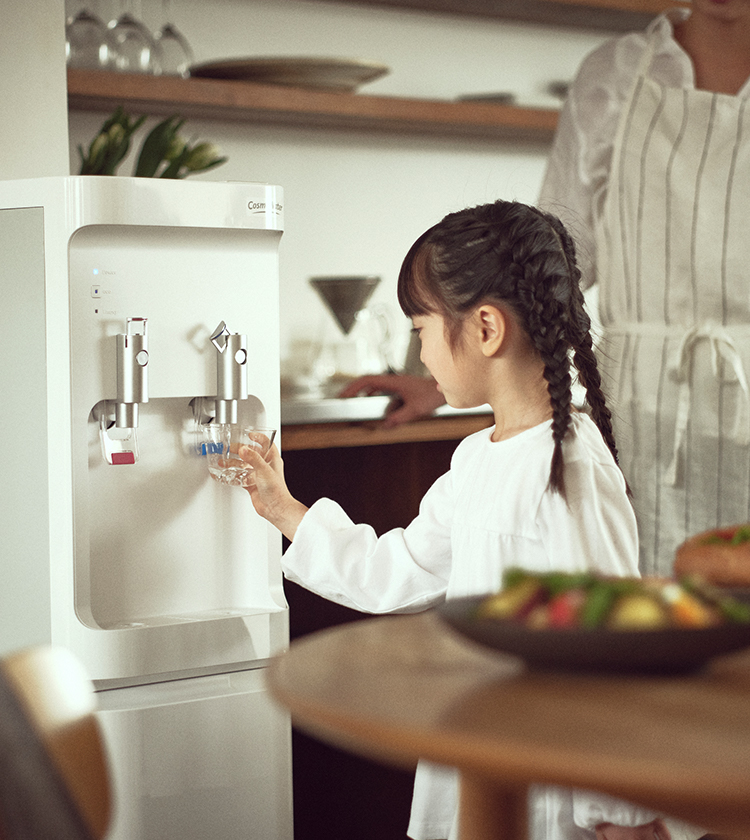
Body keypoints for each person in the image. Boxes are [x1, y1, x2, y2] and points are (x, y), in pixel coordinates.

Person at [240, 200, 702, 840]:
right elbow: (401, 569)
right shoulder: (477, 459)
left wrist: (620, 816)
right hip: (479, 759)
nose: (420, 356)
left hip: (550, 788)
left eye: (420, 330)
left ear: (485, 328)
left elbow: (606, 655)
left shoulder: (567, 470)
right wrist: (285, 510)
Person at [347, 0, 750, 578]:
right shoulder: (616, 75)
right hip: (640, 414)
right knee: (629, 614)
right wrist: (450, 377)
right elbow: (551, 265)